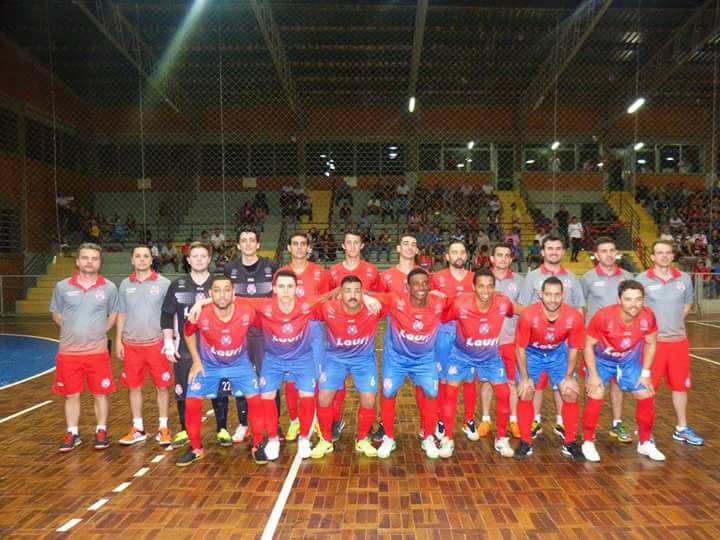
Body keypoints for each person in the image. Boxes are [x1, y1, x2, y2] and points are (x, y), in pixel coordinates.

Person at [177, 276, 267, 466]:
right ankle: (195, 448)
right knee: (191, 402)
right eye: (217, 290)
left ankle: (258, 445)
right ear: (211, 294)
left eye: (227, 289)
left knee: (256, 400)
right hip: (209, 365)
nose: (222, 294)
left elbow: (263, 326)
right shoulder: (201, 314)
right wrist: (195, 360)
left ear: (234, 294)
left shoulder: (247, 312)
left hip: (239, 364)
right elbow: (188, 332)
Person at [580, 280, 666, 462]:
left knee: (646, 394)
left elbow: (651, 343)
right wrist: (593, 375)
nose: (633, 304)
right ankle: (587, 441)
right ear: (619, 299)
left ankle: (645, 443)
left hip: (628, 361)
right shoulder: (603, 316)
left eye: (638, 299)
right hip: (602, 361)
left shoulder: (648, 316)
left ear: (644, 300)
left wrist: (645, 374)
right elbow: (587, 346)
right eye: (628, 299)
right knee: (596, 392)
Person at [161, 242, 230, 449]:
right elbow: (166, 315)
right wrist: (168, 343)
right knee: (183, 390)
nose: (199, 259)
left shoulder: (219, 284)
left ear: (209, 259)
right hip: (185, 348)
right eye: (195, 256)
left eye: (203, 256)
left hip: (215, 348)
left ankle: (222, 428)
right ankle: (184, 429)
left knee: (220, 389)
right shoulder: (177, 285)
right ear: (188, 260)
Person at [439, 268, 515, 458]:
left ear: (495, 288)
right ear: (473, 287)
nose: (485, 290)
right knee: (450, 392)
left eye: (490, 286)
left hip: (490, 357)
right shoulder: (460, 304)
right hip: (461, 356)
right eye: (481, 286)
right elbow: (444, 318)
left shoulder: (504, 303)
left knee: (504, 393)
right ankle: (447, 438)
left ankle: (501, 438)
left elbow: (514, 311)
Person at [373, 269, 448, 459]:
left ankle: (428, 437)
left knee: (432, 394)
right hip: (396, 359)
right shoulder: (396, 300)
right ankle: (389, 437)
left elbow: (463, 300)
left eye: (425, 283)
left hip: (424, 360)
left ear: (430, 285)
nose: (421, 287)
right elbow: (367, 294)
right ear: (407, 287)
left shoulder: (439, 303)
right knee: (388, 393)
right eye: (416, 283)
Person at [51, 243, 119, 452]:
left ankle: (101, 429)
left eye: (94, 258)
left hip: (97, 353)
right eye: (85, 258)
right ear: (78, 261)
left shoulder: (109, 287)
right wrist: (73, 330)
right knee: (71, 394)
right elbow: (56, 313)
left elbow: (114, 314)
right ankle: (72, 432)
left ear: (99, 262)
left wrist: (98, 332)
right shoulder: (62, 287)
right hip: (68, 354)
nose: (90, 262)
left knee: (100, 393)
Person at [517, 235, 585, 440]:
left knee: (564, 387)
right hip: (536, 343)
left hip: (562, 344)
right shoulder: (532, 277)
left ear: (563, 252)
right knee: (533, 386)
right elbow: (521, 307)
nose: (554, 251)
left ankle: (562, 423)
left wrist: (564, 327)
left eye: (558, 248)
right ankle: (534, 421)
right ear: (543, 252)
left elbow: (580, 308)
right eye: (550, 248)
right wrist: (541, 324)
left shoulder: (572, 278)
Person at [636, 240, 704, 445]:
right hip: (652, 345)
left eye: (668, 252)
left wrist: (672, 323)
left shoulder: (683, 278)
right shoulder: (641, 280)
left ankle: (681, 428)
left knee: (680, 387)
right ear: (652, 257)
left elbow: (688, 303)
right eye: (659, 253)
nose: (664, 256)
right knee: (647, 388)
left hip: (679, 343)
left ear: (672, 256)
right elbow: (635, 309)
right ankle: (645, 432)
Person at [311, 276, 384, 459]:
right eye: (348, 291)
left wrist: (432, 294)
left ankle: (362, 439)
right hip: (335, 359)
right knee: (324, 398)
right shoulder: (328, 308)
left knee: (369, 400)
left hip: (363, 359)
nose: (353, 295)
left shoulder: (373, 308)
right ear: (340, 294)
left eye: (357, 291)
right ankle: (325, 440)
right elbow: (305, 304)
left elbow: (402, 297)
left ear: (363, 293)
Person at [514, 277, 585, 461]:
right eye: (548, 295)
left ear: (563, 295)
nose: (552, 299)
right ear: (540, 295)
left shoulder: (573, 316)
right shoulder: (528, 315)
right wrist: (524, 377)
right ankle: (525, 441)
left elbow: (574, 349)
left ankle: (569, 442)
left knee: (570, 392)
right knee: (526, 391)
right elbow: (520, 348)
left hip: (557, 355)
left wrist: (569, 377)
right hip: (532, 354)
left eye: (556, 295)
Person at [223, 228, 279, 443]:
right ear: (238, 245)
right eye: (243, 240)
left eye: (251, 240)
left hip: (266, 332)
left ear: (257, 244)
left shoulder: (270, 266)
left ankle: (273, 424)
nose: (247, 244)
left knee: (269, 376)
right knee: (241, 377)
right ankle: (244, 423)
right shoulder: (230, 268)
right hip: (240, 333)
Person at [116, 246, 173, 447]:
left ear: (151, 259)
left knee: (163, 386)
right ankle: (138, 427)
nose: (142, 260)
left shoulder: (164, 283)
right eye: (138, 256)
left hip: (156, 344)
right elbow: (121, 313)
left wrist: (170, 341)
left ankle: (163, 427)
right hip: (131, 345)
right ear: (132, 260)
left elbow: (170, 314)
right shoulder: (124, 285)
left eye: (145, 256)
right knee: (133, 387)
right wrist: (118, 340)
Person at [580, 237, 634, 443]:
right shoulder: (587, 278)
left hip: (623, 343)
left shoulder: (628, 277)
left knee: (618, 385)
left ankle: (617, 424)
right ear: (596, 255)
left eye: (612, 250)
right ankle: (589, 431)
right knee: (594, 385)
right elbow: (582, 307)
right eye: (604, 251)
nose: (609, 254)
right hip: (596, 343)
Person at [278, 232, 331, 441]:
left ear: (308, 248)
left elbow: (326, 303)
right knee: (290, 379)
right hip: (290, 330)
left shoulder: (320, 273)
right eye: (295, 244)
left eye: (303, 244)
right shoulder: (281, 273)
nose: (299, 247)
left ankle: (315, 420)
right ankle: (294, 421)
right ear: (289, 248)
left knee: (315, 377)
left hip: (315, 329)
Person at [328, 231, 383, 432]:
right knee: (337, 385)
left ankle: (367, 427)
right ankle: (335, 421)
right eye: (348, 243)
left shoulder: (371, 270)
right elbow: (329, 297)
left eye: (356, 243)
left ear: (361, 246)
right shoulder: (333, 271)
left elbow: (379, 298)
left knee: (368, 389)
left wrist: (367, 296)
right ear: (343, 246)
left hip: (364, 337)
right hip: (340, 336)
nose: (352, 246)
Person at [477, 243, 524, 440]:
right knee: (487, 381)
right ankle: (486, 418)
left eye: (507, 255)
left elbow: (524, 309)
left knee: (511, 381)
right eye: (499, 255)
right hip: (487, 341)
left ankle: (513, 420)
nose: (503, 258)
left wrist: (505, 302)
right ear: (492, 258)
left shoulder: (520, 281)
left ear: (511, 259)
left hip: (510, 340)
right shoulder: (483, 280)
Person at [431, 242, 476, 442]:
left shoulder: (475, 279)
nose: (458, 255)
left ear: (466, 256)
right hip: (444, 332)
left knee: (469, 378)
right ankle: (441, 419)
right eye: (454, 252)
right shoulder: (437, 278)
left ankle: (469, 419)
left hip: (468, 334)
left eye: (462, 252)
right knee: (443, 377)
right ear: (447, 256)